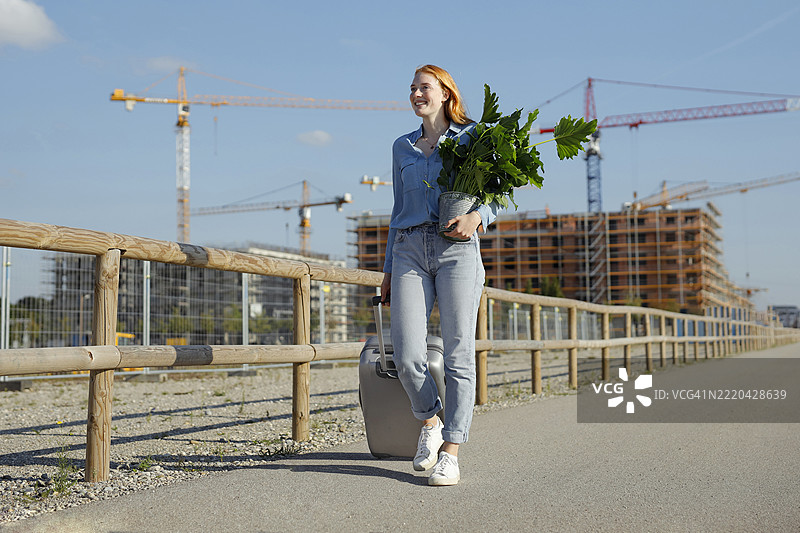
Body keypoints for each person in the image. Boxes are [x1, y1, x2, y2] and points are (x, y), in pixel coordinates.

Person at [380, 64, 498, 486]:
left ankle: (451, 450)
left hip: (457, 250)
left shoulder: (473, 138)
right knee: (407, 354)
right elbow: (397, 211)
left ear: (446, 93)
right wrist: (388, 269)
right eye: (412, 87)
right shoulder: (402, 147)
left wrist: (478, 218)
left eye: (424, 87)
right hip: (409, 249)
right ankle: (430, 422)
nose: (416, 93)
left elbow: (501, 192)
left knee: (458, 354)